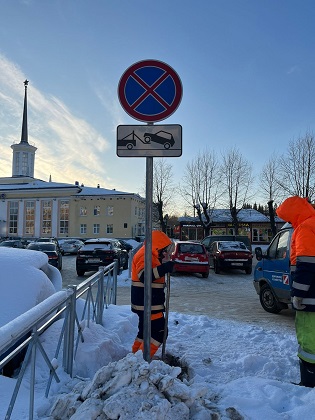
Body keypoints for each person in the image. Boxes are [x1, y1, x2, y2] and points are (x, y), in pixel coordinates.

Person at [276, 196, 315, 387]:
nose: (289, 222)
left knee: (309, 338)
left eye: (289, 218)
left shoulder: (306, 228)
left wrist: (298, 293)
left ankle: (309, 382)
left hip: (311, 297)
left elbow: (306, 264)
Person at [131, 230, 174, 358]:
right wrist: (164, 269)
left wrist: (164, 267)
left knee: (144, 332)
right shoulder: (145, 255)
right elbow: (144, 275)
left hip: (148, 303)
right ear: (157, 246)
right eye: (164, 250)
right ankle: (141, 360)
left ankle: (133, 358)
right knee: (159, 331)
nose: (166, 253)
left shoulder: (151, 254)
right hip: (147, 303)